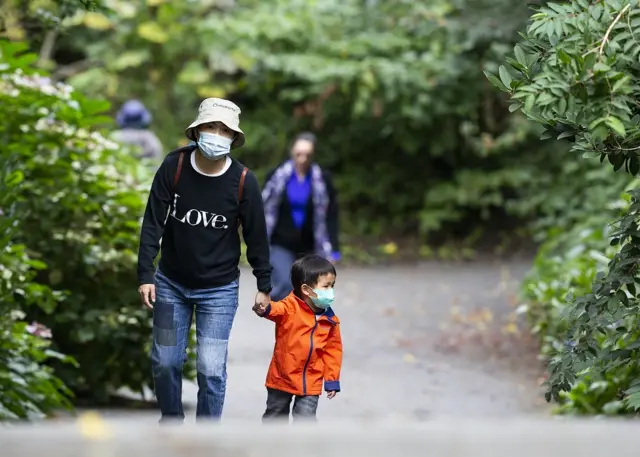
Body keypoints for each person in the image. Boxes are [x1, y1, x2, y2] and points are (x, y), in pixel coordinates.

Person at [137, 97, 272, 422]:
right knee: (165, 360)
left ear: (233, 137)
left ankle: (206, 439)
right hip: (170, 284)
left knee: (211, 369)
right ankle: (171, 422)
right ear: (197, 130)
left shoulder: (243, 181)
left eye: (224, 129)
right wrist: (145, 273)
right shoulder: (176, 165)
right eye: (210, 126)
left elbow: (256, 236)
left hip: (219, 291)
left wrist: (264, 284)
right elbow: (153, 220)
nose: (216, 133)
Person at [253, 254, 342, 422]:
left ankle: (303, 448)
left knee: (306, 421)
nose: (331, 291)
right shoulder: (289, 307)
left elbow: (333, 351)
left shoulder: (330, 320)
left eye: (333, 286)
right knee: (275, 417)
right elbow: (275, 310)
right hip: (282, 377)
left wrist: (332, 379)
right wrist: (264, 308)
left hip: (311, 380)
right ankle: (270, 447)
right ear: (307, 289)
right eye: (326, 286)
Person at [262, 132, 340, 301]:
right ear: (292, 152)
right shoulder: (277, 176)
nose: (302, 159)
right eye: (299, 154)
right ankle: (284, 319)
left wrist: (334, 249)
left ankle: (302, 325)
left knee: (309, 290)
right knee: (284, 284)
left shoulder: (322, 179)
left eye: (307, 155)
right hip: (280, 242)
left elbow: (331, 215)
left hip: (309, 244)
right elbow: (263, 209)